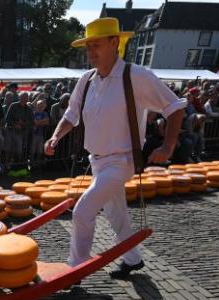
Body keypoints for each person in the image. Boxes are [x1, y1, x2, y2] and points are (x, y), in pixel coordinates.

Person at [45, 17, 185, 279]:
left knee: (83, 211)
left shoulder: (136, 76)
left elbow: (175, 107)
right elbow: (71, 114)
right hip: (97, 161)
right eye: (87, 47)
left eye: (95, 45)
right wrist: (55, 137)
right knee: (116, 213)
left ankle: (74, 270)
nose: (90, 52)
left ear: (115, 43)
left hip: (122, 161)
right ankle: (133, 259)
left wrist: (168, 145)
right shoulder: (86, 80)